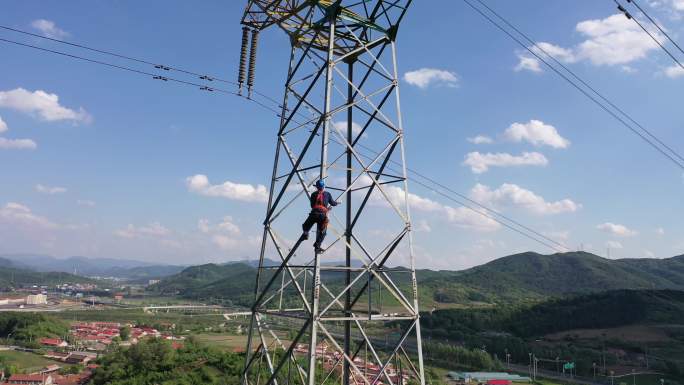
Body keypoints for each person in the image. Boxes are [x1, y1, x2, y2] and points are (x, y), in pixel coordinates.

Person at [302, 179, 338, 253]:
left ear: (317, 187)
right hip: (322, 215)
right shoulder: (327, 194)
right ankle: (317, 246)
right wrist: (336, 203)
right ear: (323, 186)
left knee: (306, 225)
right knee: (323, 232)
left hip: (314, 214)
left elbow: (312, 205)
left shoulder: (313, 194)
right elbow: (333, 203)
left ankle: (305, 233)